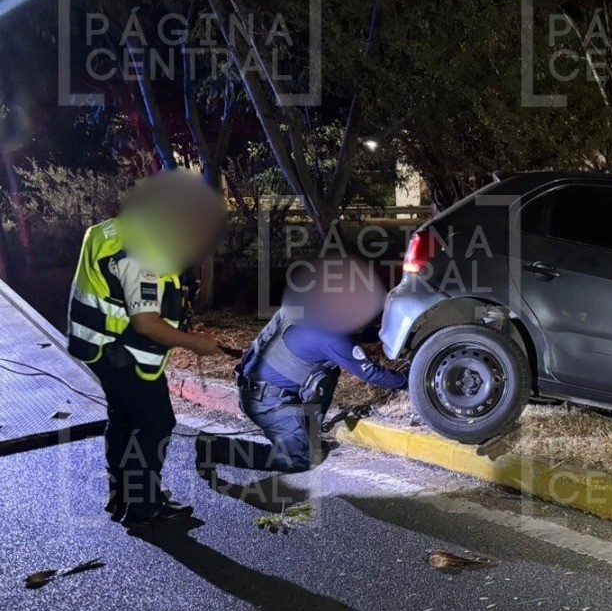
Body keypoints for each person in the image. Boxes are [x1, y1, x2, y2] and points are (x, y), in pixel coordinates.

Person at [67, 169, 225, 527]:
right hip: (123, 353)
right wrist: (196, 344)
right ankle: (144, 507)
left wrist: (180, 320)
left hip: (97, 345)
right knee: (156, 421)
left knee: (123, 417)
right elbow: (146, 323)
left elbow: (121, 294)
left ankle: (122, 495)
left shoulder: (110, 230)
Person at [196, 257, 407, 475]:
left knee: (328, 370)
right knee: (301, 460)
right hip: (268, 404)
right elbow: (370, 373)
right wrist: (410, 382)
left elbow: (354, 334)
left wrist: (392, 336)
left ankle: (307, 433)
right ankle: (214, 448)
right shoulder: (331, 336)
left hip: (254, 388)